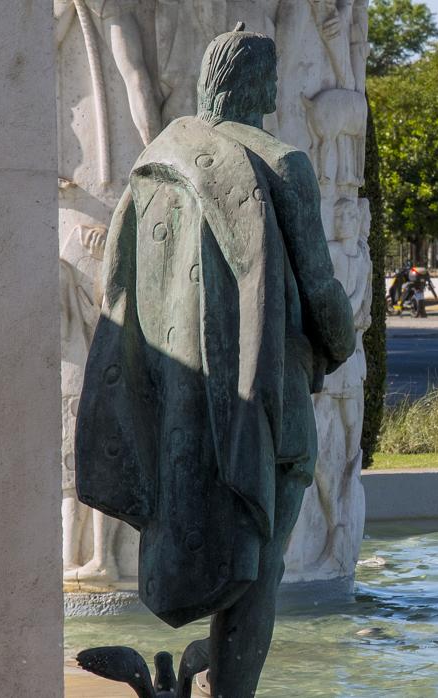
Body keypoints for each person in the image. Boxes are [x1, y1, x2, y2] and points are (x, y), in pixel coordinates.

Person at [76, 24, 356, 696]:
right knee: (260, 566)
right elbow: (322, 292)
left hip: (178, 399)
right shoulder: (284, 162)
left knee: (215, 537)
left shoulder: (156, 160)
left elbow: (114, 282)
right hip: (270, 400)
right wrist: (342, 343)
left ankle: (205, 664)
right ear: (259, 84)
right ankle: (231, 687)